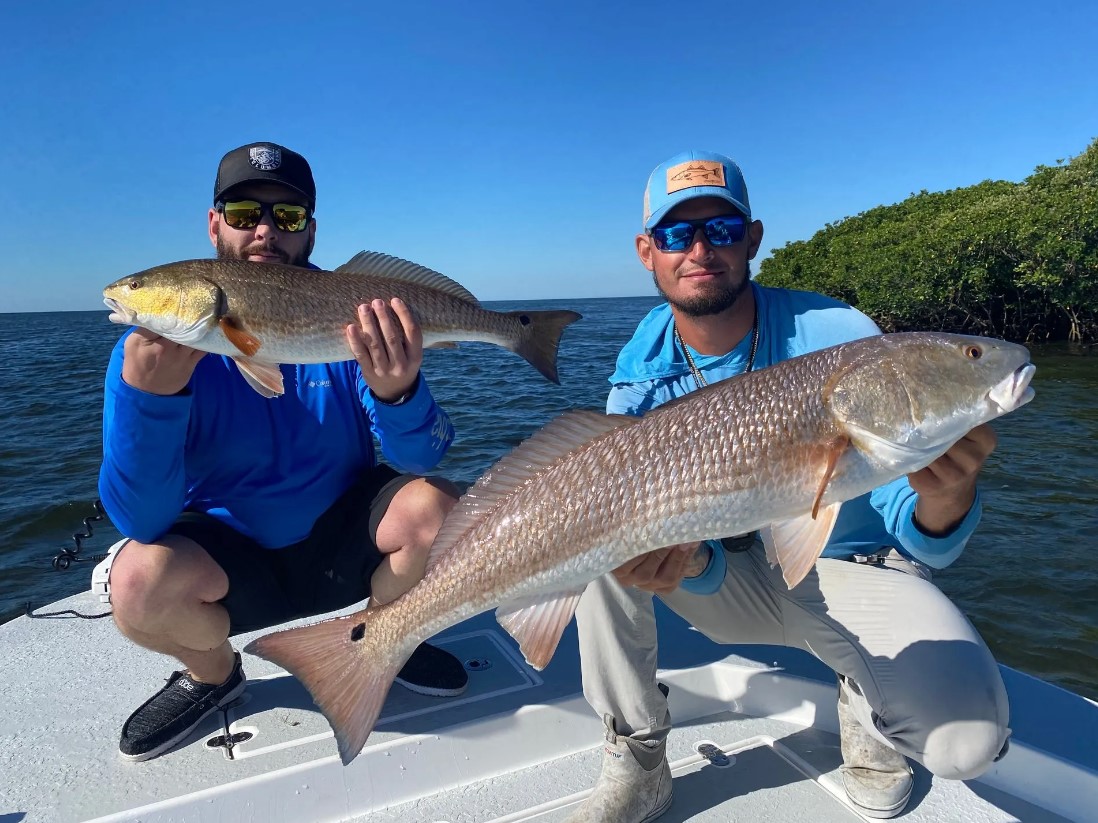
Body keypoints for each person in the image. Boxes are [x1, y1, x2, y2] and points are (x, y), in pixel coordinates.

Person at [565, 150, 1010, 821]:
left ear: (752, 238)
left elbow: (924, 543)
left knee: (968, 740)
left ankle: (867, 700)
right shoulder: (641, 370)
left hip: (846, 569)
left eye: (719, 229)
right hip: (725, 579)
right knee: (592, 527)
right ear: (647, 250)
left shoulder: (840, 336)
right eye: (677, 234)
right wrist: (691, 560)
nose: (699, 250)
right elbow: (687, 553)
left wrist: (948, 493)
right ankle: (637, 751)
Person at [98, 141, 468, 762]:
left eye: (288, 217)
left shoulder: (356, 315)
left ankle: (382, 636)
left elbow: (421, 459)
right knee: (136, 582)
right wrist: (152, 400)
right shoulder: (146, 358)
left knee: (445, 509)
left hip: (341, 542)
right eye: (244, 212)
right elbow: (141, 521)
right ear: (213, 224)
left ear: (311, 230)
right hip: (228, 561)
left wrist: (399, 392)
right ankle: (214, 676)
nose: (265, 230)